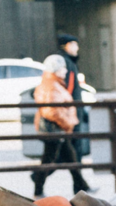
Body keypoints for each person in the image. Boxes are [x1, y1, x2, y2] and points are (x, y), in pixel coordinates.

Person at [32, 54, 91, 197]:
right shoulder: (52, 86)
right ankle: (37, 186)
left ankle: (82, 186)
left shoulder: (54, 84)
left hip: (57, 129)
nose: (65, 71)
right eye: (62, 68)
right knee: (49, 159)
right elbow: (53, 111)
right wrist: (68, 124)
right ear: (55, 71)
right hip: (54, 129)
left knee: (70, 158)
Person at [57, 33, 92, 171]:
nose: (77, 47)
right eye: (75, 44)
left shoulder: (62, 61)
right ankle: (79, 182)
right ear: (68, 46)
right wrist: (74, 110)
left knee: (62, 149)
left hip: (69, 111)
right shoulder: (68, 63)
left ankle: (39, 177)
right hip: (72, 112)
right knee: (72, 147)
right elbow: (69, 89)